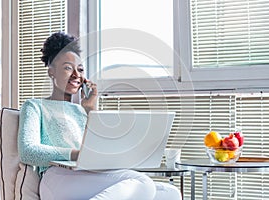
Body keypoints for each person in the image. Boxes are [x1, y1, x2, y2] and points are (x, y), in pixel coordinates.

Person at [18, 31, 182, 200]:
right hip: (56, 179)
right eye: (68, 68)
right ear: (51, 72)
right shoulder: (35, 106)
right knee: (143, 183)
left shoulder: (83, 110)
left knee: (169, 193)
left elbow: (101, 149)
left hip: (90, 175)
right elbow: (28, 152)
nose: (76, 75)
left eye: (80, 69)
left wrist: (90, 110)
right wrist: (76, 154)